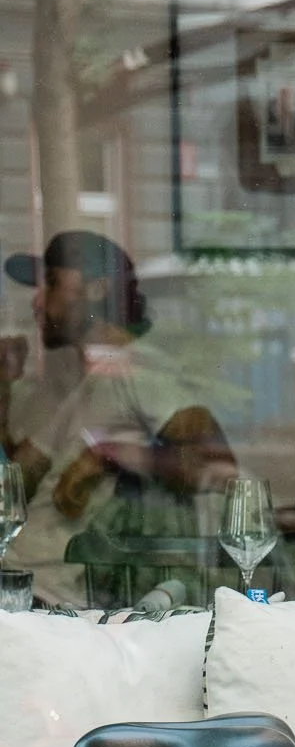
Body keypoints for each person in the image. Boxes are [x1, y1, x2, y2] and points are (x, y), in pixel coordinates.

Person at [0, 230, 234, 606]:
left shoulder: (139, 370)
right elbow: (13, 487)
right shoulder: (93, 380)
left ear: (97, 289)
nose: (37, 301)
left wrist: (111, 453)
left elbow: (221, 469)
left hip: (52, 600)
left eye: (53, 283)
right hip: (17, 587)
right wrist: (3, 386)